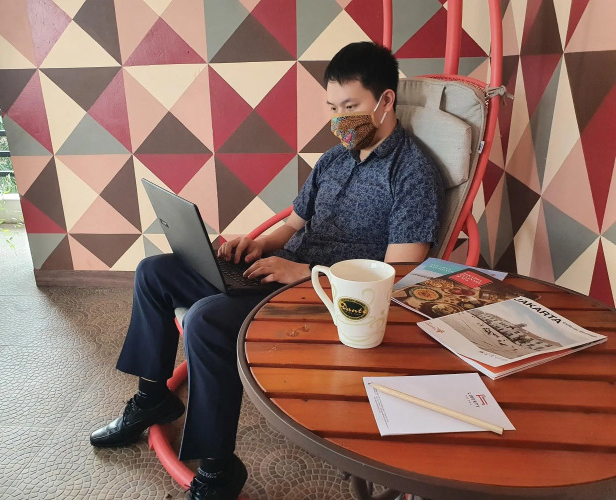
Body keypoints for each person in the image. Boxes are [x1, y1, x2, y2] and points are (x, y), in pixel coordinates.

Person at [90, 41, 444, 500]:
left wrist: (307, 273)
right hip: (282, 270)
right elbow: (293, 224)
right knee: (154, 272)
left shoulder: (412, 173)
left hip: (326, 295)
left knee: (205, 320)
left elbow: (401, 269)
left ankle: (218, 469)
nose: (340, 119)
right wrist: (257, 244)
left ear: (385, 100)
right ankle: (151, 397)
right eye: (333, 108)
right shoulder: (334, 159)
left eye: (351, 106)